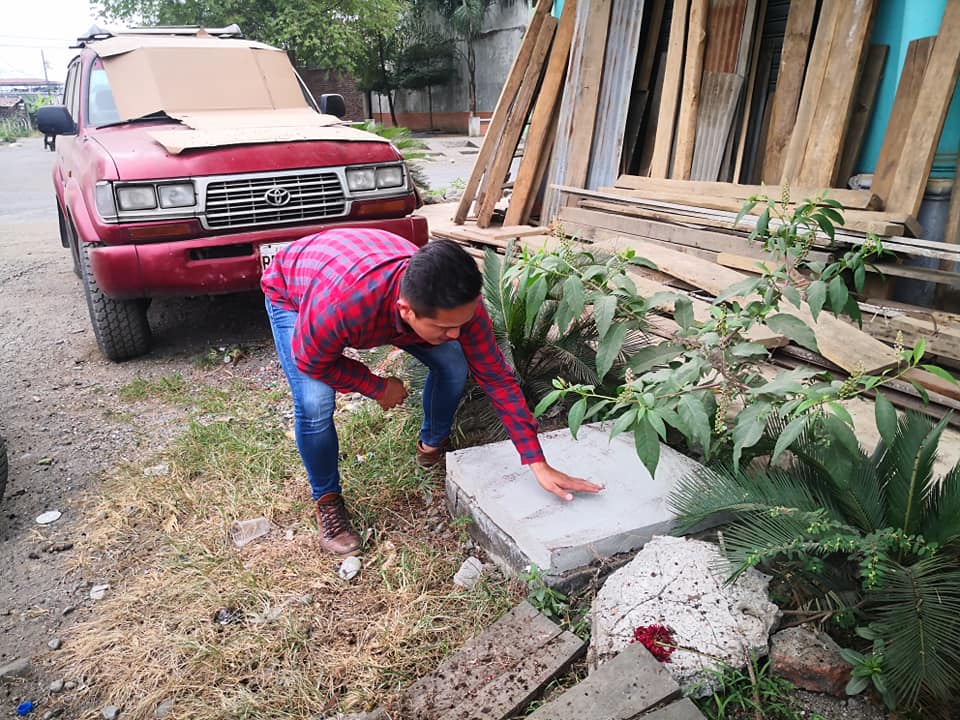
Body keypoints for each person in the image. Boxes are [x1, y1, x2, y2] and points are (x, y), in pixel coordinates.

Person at [261, 228, 602, 556]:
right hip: (295, 287)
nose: (456, 334)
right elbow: (311, 361)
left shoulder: (458, 307)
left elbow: (497, 379)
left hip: (361, 265)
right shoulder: (342, 306)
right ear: (406, 311)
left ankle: (431, 446)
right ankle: (328, 500)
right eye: (444, 327)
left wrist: (537, 461)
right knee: (315, 403)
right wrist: (376, 387)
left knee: (454, 362)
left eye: (461, 324)